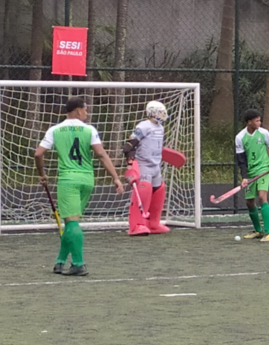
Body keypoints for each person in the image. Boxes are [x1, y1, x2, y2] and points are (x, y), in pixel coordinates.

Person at [35, 96, 124, 276]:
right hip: (87, 180)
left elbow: (38, 154)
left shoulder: (55, 130)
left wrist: (42, 174)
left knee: (72, 222)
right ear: (77, 110)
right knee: (71, 223)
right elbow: (101, 154)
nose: (87, 113)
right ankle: (60, 262)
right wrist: (115, 177)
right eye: (85, 109)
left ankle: (78, 264)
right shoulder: (89, 130)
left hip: (68, 180)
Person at [123, 101, 172, 236]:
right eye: (160, 112)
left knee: (159, 190)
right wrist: (130, 163)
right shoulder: (143, 127)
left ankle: (153, 223)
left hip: (156, 165)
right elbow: (130, 144)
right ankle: (137, 224)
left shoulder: (160, 127)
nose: (163, 115)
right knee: (144, 191)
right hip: (144, 165)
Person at [235, 109, 269, 242]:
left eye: (260, 120)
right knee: (249, 202)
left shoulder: (264, 133)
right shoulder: (240, 137)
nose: (259, 122)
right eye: (257, 120)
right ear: (249, 122)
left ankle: (268, 233)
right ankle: (258, 231)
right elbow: (241, 161)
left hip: (263, 169)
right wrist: (244, 177)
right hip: (250, 172)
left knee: (262, 196)